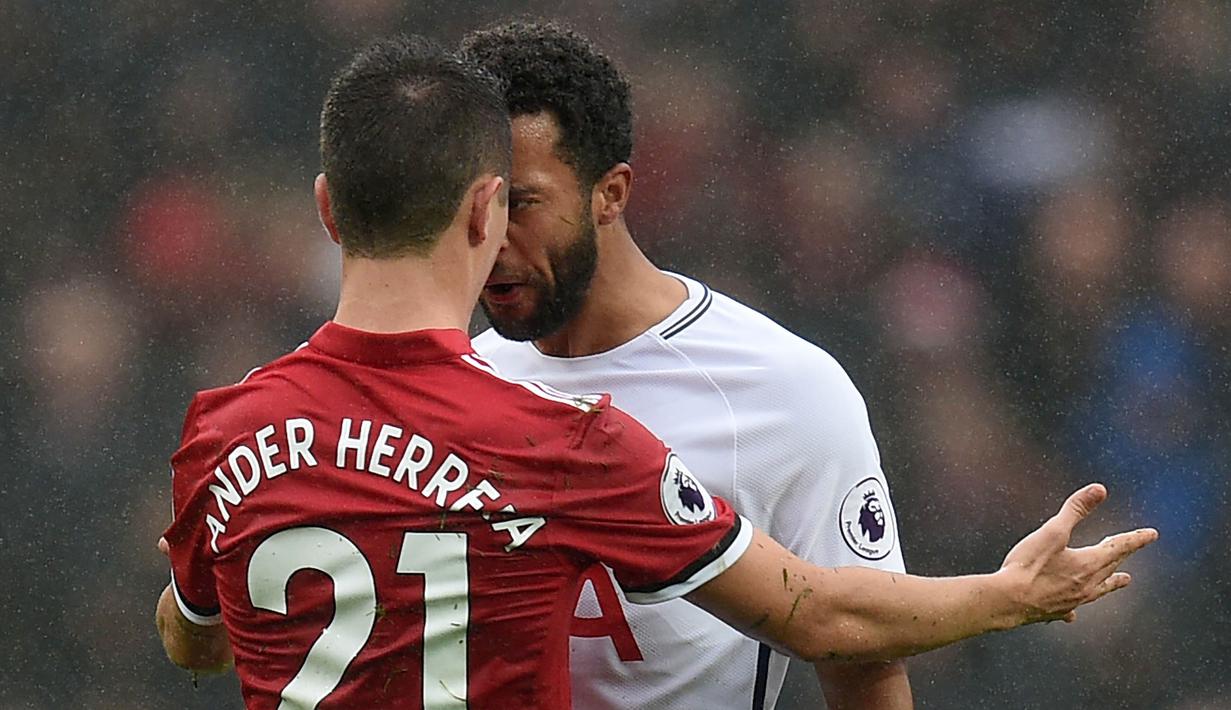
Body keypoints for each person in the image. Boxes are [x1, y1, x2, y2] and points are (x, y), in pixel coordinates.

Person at [155, 34, 1155, 710]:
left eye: (528, 201)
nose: (502, 237)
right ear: (467, 208)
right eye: (492, 205)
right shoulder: (548, 432)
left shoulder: (231, 425)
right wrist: (1005, 592)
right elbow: (818, 609)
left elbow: (192, 630)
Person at [455, 21, 1111, 709]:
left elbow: (859, 656)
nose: (491, 236)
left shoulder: (782, 391)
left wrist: (1001, 598)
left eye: (521, 203)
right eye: (473, 204)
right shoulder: (457, 385)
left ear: (610, 193)